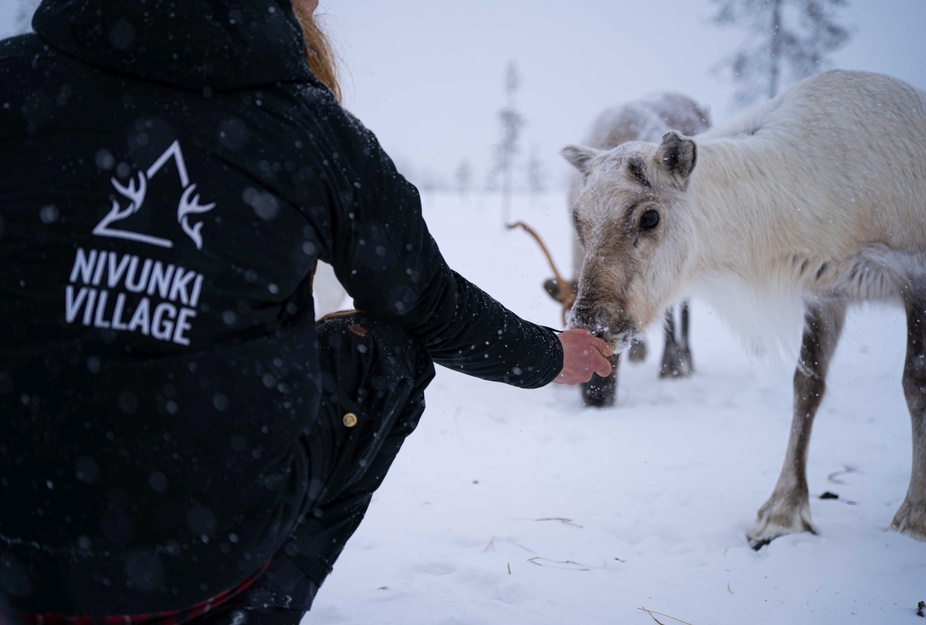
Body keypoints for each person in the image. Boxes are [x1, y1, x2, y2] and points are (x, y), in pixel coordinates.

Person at [0, 0, 613, 623]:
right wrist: (546, 354)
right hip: (204, 561)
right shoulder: (310, 129)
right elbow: (425, 303)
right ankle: (254, 605)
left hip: (12, 557)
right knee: (388, 355)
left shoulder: (13, 81)